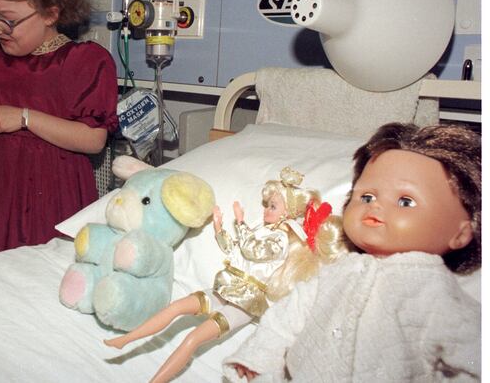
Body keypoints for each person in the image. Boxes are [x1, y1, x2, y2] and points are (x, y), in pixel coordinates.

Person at [224, 122, 481, 381]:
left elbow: (473, 354)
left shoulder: (434, 292)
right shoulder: (340, 271)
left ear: (460, 234)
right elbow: (286, 317)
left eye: (405, 201)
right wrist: (259, 358)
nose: (375, 207)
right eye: (367, 197)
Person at [104, 167, 342, 383]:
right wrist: (219, 228)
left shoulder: (281, 239)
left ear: (287, 212)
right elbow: (234, 250)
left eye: (273, 206)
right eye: (267, 204)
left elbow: (253, 250)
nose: (266, 210)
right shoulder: (261, 229)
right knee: (176, 307)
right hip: (228, 286)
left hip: (245, 304)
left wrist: (240, 222)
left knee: (193, 339)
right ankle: (127, 339)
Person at [0, 0, 119, 254]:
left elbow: (94, 139)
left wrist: (24, 118)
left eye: (7, 20)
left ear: (51, 12)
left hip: (53, 197)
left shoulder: (83, 62)